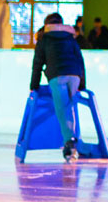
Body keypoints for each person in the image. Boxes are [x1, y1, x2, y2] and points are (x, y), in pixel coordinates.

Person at [30, 13, 86, 163]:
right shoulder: (69, 37)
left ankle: (69, 144)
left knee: (62, 110)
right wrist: (82, 83)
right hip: (74, 75)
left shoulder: (44, 38)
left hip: (57, 75)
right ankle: (73, 142)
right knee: (70, 108)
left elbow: (38, 63)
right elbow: (80, 59)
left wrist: (33, 85)